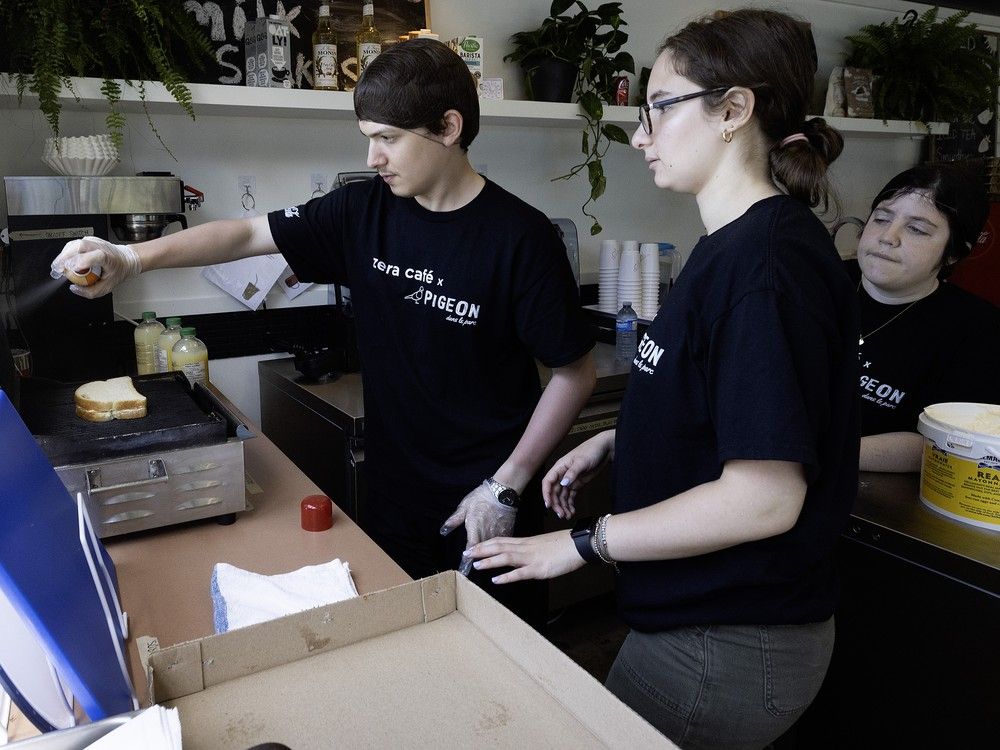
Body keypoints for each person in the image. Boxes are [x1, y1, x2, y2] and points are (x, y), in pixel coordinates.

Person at [51, 39, 597, 625]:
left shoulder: (521, 238)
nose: (373, 157)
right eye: (368, 137)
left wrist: (507, 483)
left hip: (488, 501)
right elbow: (241, 236)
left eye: (387, 138)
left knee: (499, 662)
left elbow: (576, 370)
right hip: (394, 495)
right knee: (404, 647)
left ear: (448, 127)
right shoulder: (361, 213)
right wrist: (130, 258)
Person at [468, 9, 859, 750]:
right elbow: (728, 405)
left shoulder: (765, 270)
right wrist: (620, 438)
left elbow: (765, 500)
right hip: (699, 621)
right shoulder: (728, 247)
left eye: (658, 108)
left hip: (729, 642)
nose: (641, 135)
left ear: (734, 111)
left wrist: (581, 545)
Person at [847, 164, 1000, 472]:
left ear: (954, 252)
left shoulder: (979, 330)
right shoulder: (810, 284)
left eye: (916, 229)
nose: (888, 237)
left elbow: (951, 441)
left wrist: (818, 456)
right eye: (881, 218)